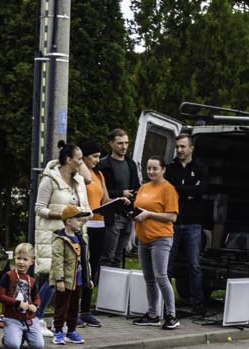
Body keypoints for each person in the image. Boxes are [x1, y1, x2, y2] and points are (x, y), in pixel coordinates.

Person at [33, 142, 87, 326]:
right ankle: (36, 317)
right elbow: (39, 208)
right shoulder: (49, 179)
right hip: (54, 235)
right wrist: (61, 215)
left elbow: (85, 207)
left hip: (74, 235)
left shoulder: (79, 181)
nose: (81, 163)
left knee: (69, 277)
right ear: (68, 159)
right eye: (79, 159)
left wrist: (84, 216)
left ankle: (62, 320)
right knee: (53, 277)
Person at [131, 156, 180, 329]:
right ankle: (152, 314)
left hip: (161, 237)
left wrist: (149, 214)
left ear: (163, 170)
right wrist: (132, 212)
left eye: (155, 169)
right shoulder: (144, 187)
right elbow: (138, 208)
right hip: (143, 237)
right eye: (148, 168)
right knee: (149, 278)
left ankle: (172, 315)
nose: (151, 172)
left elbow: (172, 217)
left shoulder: (168, 189)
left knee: (161, 276)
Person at [166, 130, 210, 316]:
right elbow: (168, 190)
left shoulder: (200, 167)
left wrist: (181, 190)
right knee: (167, 264)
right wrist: (190, 190)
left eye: (183, 147)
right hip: (173, 222)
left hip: (193, 223)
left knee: (194, 264)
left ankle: (197, 302)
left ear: (191, 148)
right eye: (177, 147)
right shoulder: (170, 168)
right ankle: (165, 302)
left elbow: (203, 189)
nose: (179, 150)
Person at [95, 128, 140, 273]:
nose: (124, 146)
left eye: (126, 143)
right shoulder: (103, 165)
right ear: (111, 143)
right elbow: (100, 190)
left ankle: (115, 283)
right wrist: (121, 193)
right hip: (112, 215)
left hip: (128, 215)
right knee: (108, 255)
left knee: (119, 256)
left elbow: (136, 186)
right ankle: (103, 283)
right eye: (120, 143)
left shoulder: (131, 163)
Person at [75, 138, 105, 328]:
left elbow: (105, 199)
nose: (97, 160)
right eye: (94, 156)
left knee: (92, 268)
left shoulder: (99, 174)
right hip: (84, 225)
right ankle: (75, 310)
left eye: (99, 157)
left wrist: (120, 200)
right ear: (83, 157)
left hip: (99, 224)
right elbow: (85, 179)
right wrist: (81, 162)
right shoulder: (79, 173)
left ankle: (85, 309)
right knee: (80, 267)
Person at [47, 204, 88, 345]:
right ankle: (58, 332)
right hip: (65, 280)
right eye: (78, 220)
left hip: (78, 280)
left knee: (74, 307)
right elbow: (57, 261)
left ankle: (71, 331)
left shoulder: (80, 238)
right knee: (62, 307)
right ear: (69, 221)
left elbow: (85, 259)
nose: (81, 222)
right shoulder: (60, 240)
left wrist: (88, 277)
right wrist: (60, 279)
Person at [0, 243, 44, 349]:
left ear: (31, 261)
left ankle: (22, 334)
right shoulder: (8, 276)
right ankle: (9, 337)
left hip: (29, 319)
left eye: (25, 259)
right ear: (14, 258)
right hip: (12, 318)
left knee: (38, 346)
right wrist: (18, 303)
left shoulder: (32, 280)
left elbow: (37, 298)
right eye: (18, 258)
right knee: (13, 346)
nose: (21, 262)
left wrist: (35, 305)